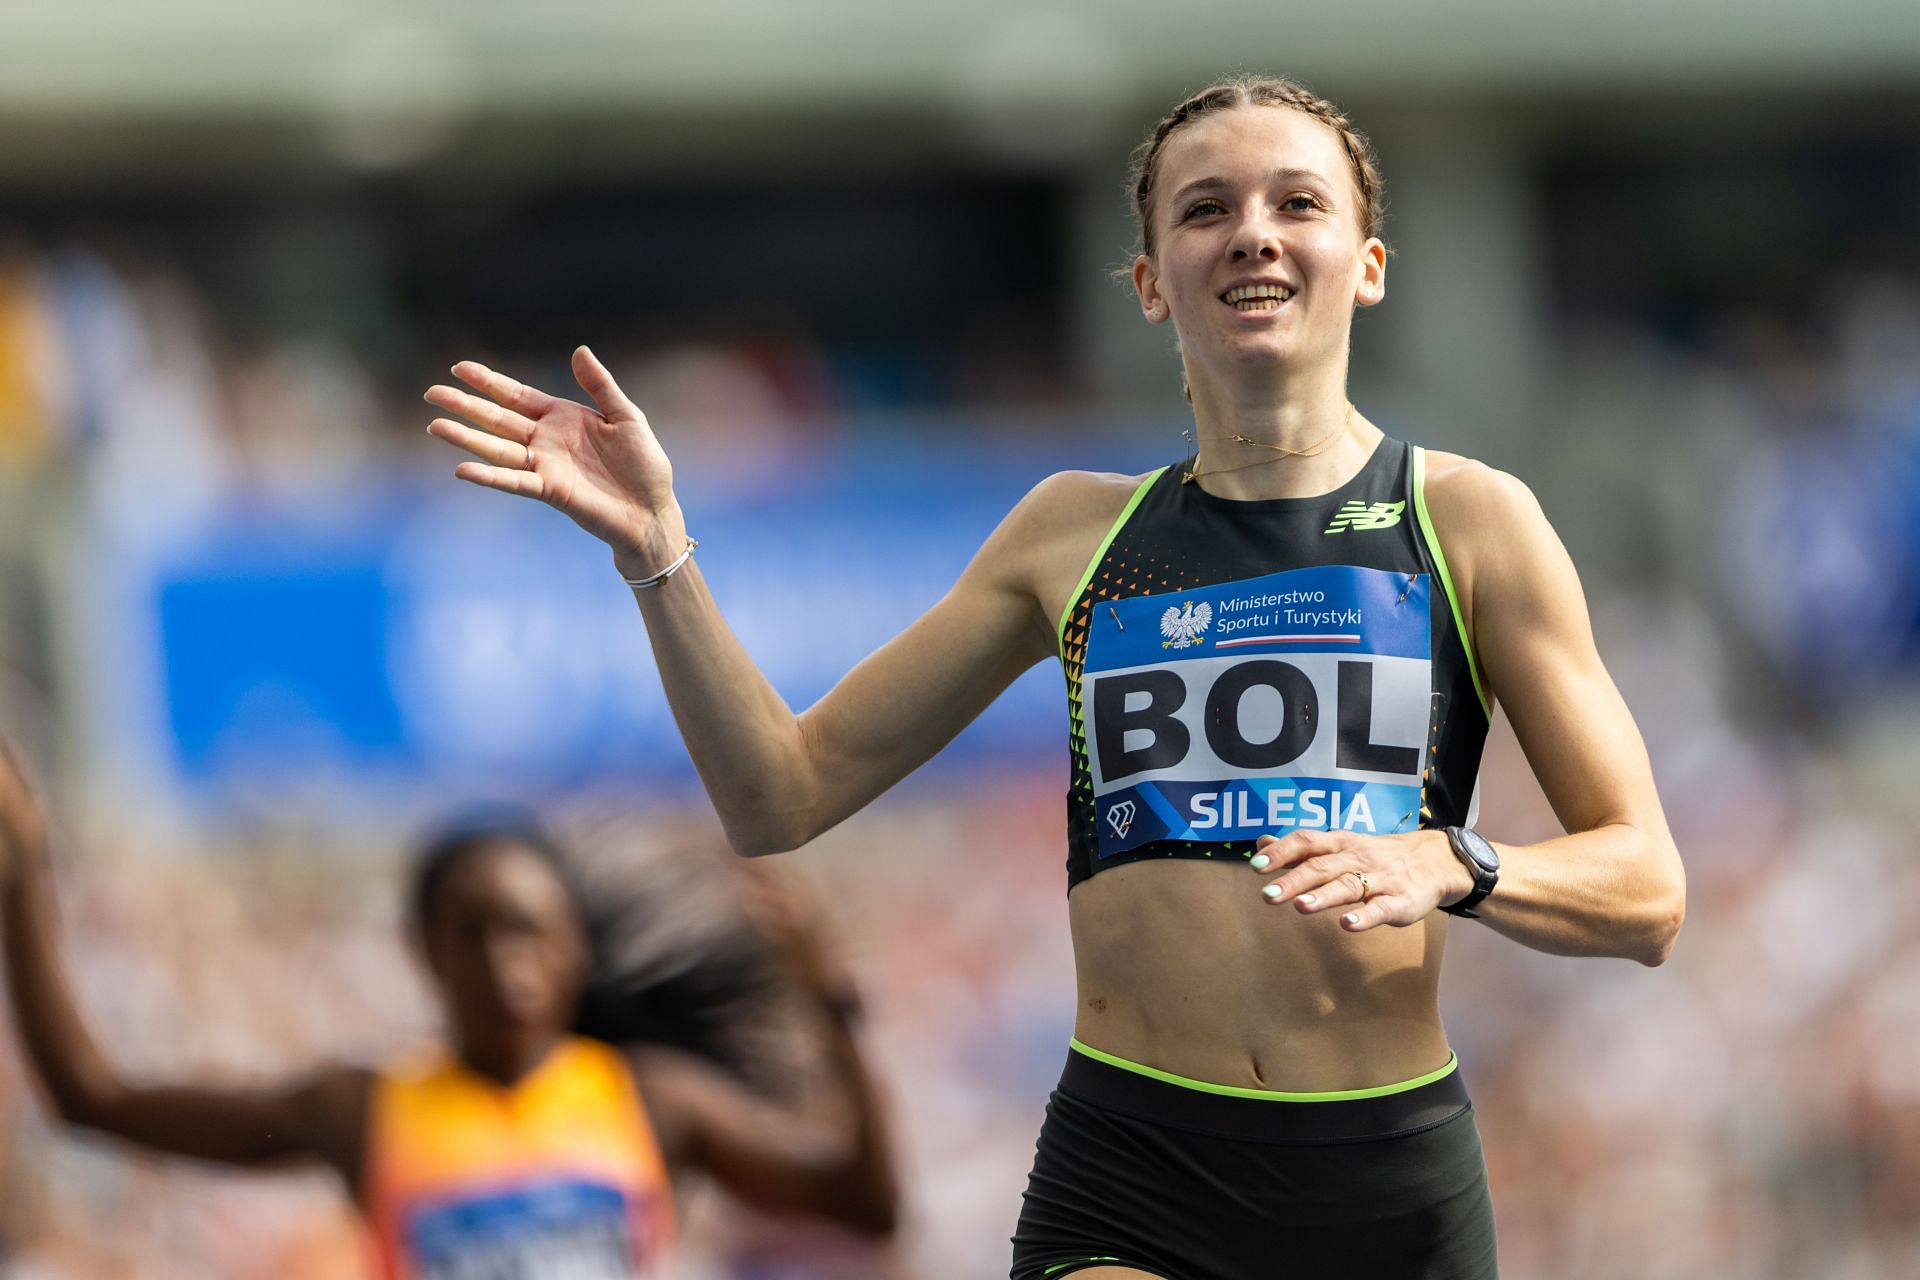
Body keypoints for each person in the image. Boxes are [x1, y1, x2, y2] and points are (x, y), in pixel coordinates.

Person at [423, 73, 1685, 1280]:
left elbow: (1646, 886)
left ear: (1367, 266)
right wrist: (659, 554)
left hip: (1382, 1168)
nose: (1253, 233)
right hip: (1132, 1160)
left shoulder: (1468, 520)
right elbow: (780, 795)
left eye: (1297, 203)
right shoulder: (1072, 534)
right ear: (1149, 281)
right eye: (1207, 208)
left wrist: (1452, 861)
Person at [0, 744, 898, 1278]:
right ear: (424, 949)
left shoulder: (649, 1101)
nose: (505, 963)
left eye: (529, 933)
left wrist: (834, 1004)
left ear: (571, 949)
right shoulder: (365, 1110)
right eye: (473, 933)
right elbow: (92, 1099)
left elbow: (865, 1204)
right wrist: (24, 875)